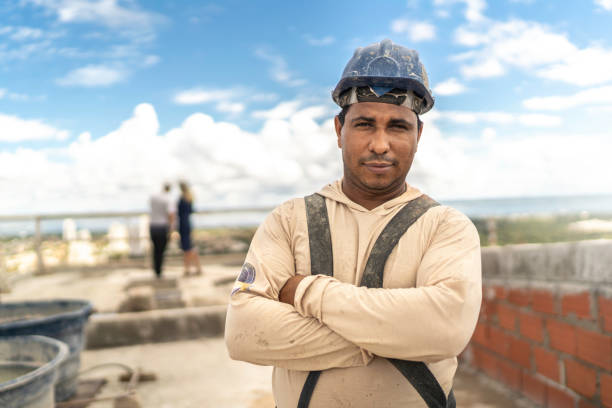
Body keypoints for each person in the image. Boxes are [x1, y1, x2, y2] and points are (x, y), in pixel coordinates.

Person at [225, 39, 482, 408]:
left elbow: (445, 329)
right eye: (364, 124)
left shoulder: (446, 227)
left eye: (397, 126)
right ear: (338, 129)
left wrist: (306, 293)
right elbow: (244, 333)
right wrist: (391, 335)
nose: (380, 144)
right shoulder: (289, 220)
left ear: (418, 135)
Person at [149, 183, 174, 278]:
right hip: (162, 227)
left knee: (155, 250)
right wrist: (172, 229)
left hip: (153, 226)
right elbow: (171, 214)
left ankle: (156, 270)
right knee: (161, 250)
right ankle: (159, 271)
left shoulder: (153, 197)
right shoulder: (168, 199)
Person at [178, 181, 202, 276]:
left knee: (187, 248)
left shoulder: (182, 198)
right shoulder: (189, 197)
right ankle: (191, 267)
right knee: (188, 247)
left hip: (183, 224)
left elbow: (178, 212)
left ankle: (191, 268)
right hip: (187, 223)